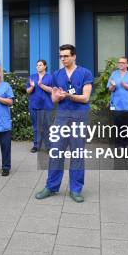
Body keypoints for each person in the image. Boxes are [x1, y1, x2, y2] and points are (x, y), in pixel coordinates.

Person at [35, 44, 93, 203]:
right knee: (56, 152)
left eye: (66, 56)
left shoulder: (85, 73)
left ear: (74, 56)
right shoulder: (56, 74)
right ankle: (51, 186)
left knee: (77, 153)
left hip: (79, 117)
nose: (63, 59)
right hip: (61, 117)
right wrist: (59, 96)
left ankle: (75, 189)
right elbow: (54, 99)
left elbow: (85, 98)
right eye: (61, 56)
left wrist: (67, 95)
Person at [107, 57, 128, 148]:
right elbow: (110, 89)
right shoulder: (114, 74)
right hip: (117, 105)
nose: (120, 64)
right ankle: (119, 144)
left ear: (127, 65)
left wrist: (124, 85)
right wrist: (113, 86)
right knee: (118, 125)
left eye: (123, 62)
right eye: (119, 62)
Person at [26, 59, 53, 153]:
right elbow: (27, 91)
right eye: (37, 65)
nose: (38, 67)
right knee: (36, 127)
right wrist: (32, 87)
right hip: (34, 105)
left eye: (40, 65)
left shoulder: (50, 77)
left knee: (47, 126)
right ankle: (36, 146)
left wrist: (41, 85)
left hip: (47, 105)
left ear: (45, 66)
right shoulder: (32, 77)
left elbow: (52, 90)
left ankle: (49, 146)